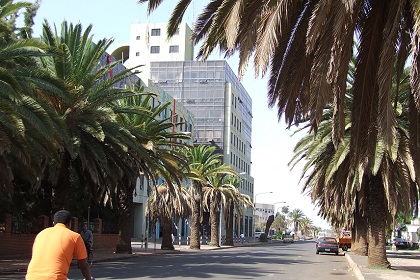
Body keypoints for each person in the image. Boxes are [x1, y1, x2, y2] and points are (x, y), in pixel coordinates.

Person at [26, 210, 93, 280]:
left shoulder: (41, 234)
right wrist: (89, 278)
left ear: (53, 223)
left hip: (30, 277)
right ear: (69, 223)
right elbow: (84, 265)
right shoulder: (75, 237)